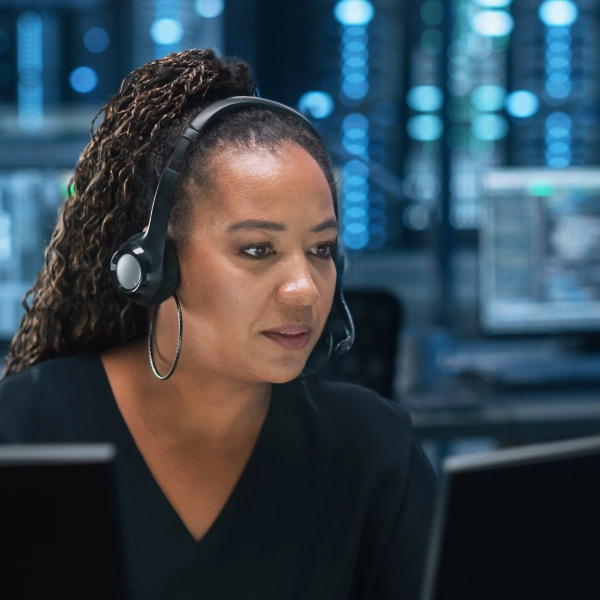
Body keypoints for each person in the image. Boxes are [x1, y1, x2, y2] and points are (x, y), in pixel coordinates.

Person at [0, 48, 437, 599]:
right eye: (257, 249)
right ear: (156, 267)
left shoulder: (373, 450)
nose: (304, 288)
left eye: (322, 249)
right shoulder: (24, 432)